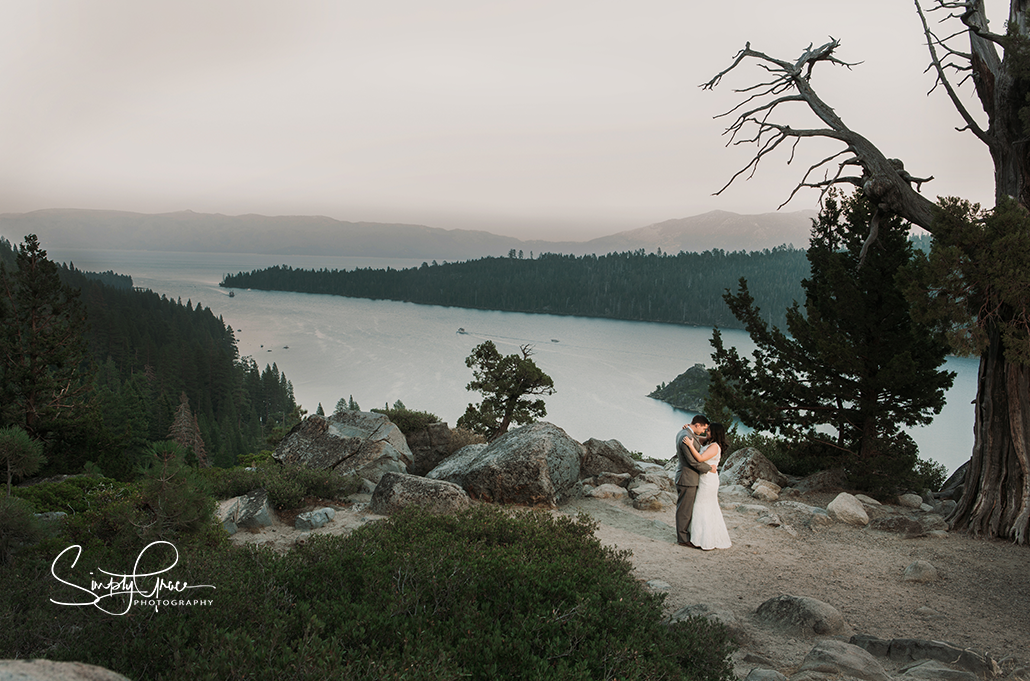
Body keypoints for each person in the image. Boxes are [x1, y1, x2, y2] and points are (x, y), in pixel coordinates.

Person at [684, 422, 732, 550]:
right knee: (704, 506)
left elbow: (700, 458)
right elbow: (696, 437)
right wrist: (689, 429)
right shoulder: (709, 442)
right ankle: (699, 537)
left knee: (702, 506)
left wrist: (689, 445)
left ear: (715, 433)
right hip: (704, 477)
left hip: (709, 480)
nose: (707, 432)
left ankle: (703, 539)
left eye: (709, 431)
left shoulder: (715, 447)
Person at [674, 415, 713, 548]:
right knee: (684, 510)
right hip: (687, 478)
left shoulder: (686, 432)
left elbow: (698, 443)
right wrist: (710, 468)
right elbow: (692, 462)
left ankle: (685, 534)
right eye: (703, 428)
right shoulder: (686, 436)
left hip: (688, 478)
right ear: (697, 425)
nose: (703, 431)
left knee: (687, 509)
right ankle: (683, 539)